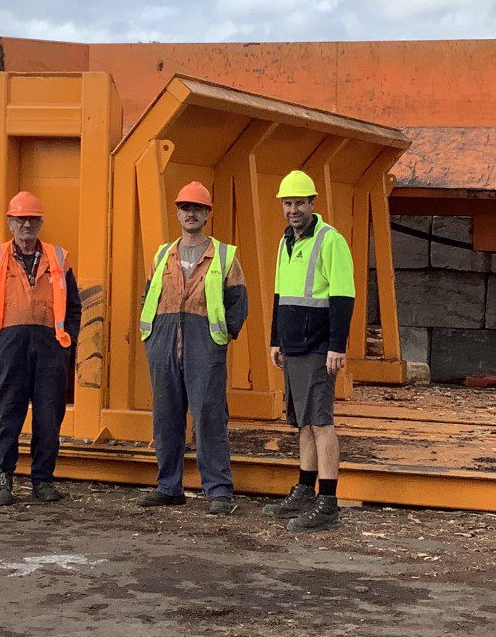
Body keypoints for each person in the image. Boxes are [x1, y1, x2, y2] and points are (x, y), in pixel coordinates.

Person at [136, 181, 249, 515]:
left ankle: (218, 490)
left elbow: (238, 302)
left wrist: (220, 338)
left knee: (209, 416)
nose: (191, 213)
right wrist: (152, 338)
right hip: (164, 340)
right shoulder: (163, 254)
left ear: (207, 214)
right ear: (177, 212)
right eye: (185, 207)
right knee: (166, 416)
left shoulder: (224, 256)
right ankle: (168, 487)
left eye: (197, 208)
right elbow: (149, 296)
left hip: (204, 343)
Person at [0, 191, 82, 506]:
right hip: (11, 345)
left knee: (49, 415)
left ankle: (43, 481)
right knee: (6, 412)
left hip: (50, 347)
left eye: (32, 219)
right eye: (20, 219)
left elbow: (74, 305)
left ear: (40, 222)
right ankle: (2, 478)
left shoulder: (58, 257)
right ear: (10, 222)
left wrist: (67, 341)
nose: (26, 225)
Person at [263, 170, 355, 532]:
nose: (293, 209)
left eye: (299, 202)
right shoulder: (285, 242)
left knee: (320, 421)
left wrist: (337, 345)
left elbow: (343, 295)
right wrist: (276, 339)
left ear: (312, 203)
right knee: (302, 421)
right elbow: (280, 294)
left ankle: (327, 501)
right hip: (293, 345)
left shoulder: (330, 240)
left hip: (318, 346)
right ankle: (304, 490)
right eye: (288, 203)